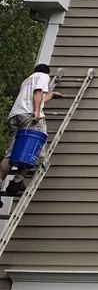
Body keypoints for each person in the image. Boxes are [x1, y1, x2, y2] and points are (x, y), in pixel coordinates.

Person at [1, 64, 62, 200]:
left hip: (16, 116)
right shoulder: (43, 76)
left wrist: (51, 95)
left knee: (11, 153)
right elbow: (38, 93)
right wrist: (36, 112)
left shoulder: (27, 80)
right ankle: (16, 182)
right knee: (36, 147)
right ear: (47, 72)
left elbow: (38, 98)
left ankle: (3, 182)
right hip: (29, 115)